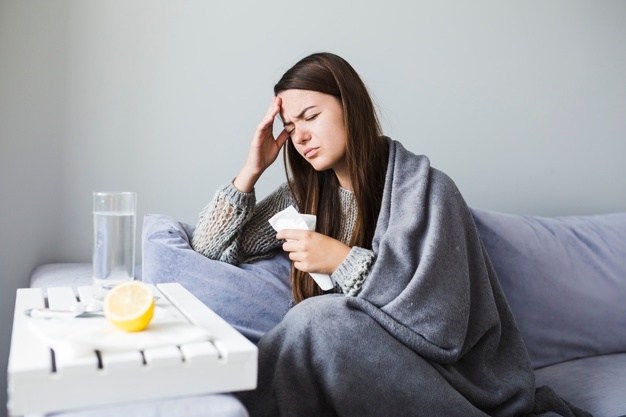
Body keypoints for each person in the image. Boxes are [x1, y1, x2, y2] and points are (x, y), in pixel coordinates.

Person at [192, 52, 590, 417]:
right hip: (353, 377)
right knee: (316, 322)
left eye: (310, 116)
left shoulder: (426, 190)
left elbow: (442, 323)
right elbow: (207, 248)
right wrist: (252, 169)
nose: (299, 137)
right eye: (290, 126)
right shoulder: (303, 198)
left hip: (450, 382)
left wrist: (342, 262)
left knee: (318, 320)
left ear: (351, 106)